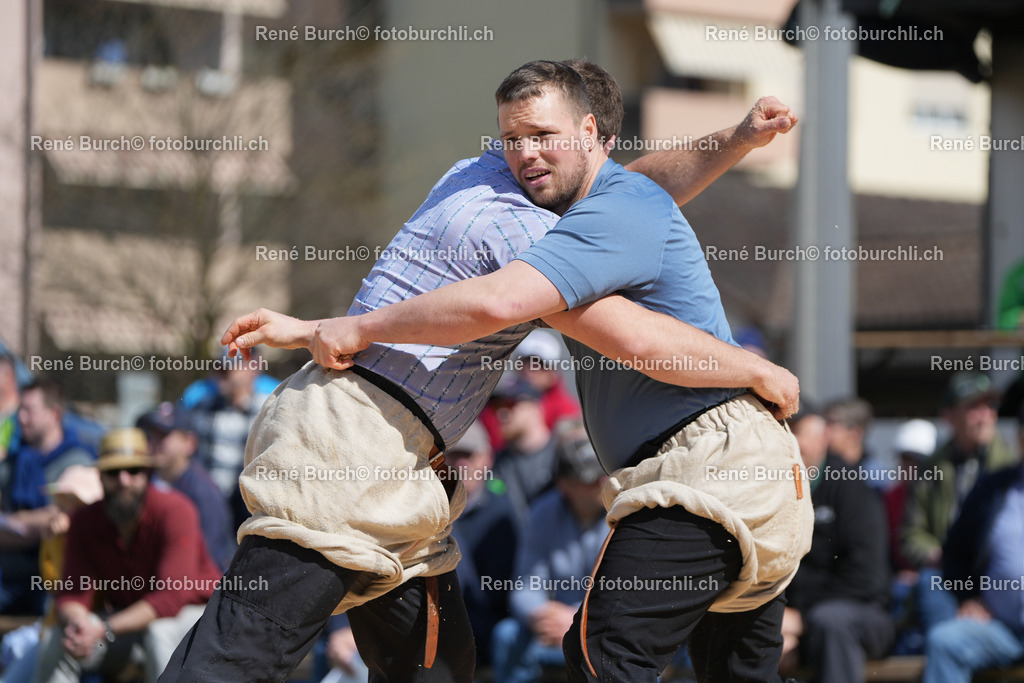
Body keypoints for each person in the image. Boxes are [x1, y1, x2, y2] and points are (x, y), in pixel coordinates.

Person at [162, 59, 802, 683]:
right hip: (356, 443)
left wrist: (736, 141)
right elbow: (590, 275)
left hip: (706, 460)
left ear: (591, 134)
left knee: (586, 657)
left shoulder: (495, 183)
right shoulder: (543, 218)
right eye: (514, 138)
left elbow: (634, 205)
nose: (526, 152)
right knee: (262, 655)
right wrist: (751, 365)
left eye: (543, 136)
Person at [34, 429, 219, 683]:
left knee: (159, 633)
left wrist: (104, 628)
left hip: (192, 619)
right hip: (128, 623)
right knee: (59, 639)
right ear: (100, 476)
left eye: (133, 471)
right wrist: (80, 625)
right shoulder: (84, 520)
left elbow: (171, 595)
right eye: (113, 472)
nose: (123, 480)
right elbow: (72, 592)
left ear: (147, 474)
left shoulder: (176, 510)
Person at [780, 409, 893, 682]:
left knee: (831, 621)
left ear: (823, 438)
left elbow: (866, 578)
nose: (789, 442)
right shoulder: (774, 488)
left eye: (797, 432)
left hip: (861, 614)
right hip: (793, 621)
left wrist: (802, 616)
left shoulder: (852, 488)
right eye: (784, 432)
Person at [902, 371, 1018, 633]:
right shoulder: (931, 469)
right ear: (949, 416)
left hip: (996, 580)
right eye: (973, 408)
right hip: (944, 574)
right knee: (928, 585)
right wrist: (938, 555)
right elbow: (911, 533)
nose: (984, 416)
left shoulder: (1011, 468)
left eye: (989, 407)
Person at [492, 425, 608, 683]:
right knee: (506, 634)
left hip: (605, 624)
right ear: (564, 484)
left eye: (603, 476)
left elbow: (627, 593)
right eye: (589, 480)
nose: (602, 484)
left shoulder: (623, 512)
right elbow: (524, 585)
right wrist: (542, 616)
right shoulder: (542, 512)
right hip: (550, 625)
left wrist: (578, 621)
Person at [921, 411, 1024, 681]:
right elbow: (955, 550)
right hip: (1002, 627)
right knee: (945, 641)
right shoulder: (993, 489)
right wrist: (968, 597)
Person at [1, 379, 96, 616]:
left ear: (53, 413)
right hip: (10, 574)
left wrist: (19, 521)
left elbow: (64, 519)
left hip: (54, 579)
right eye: (19, 410)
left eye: (29, 411)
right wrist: (35, 524)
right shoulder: (14, 463)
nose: (20, 418)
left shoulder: (77, 463)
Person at [447, 421, 519, 669]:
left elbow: (497, 593)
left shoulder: (501, 514)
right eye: (453, 455)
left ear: (486, 458)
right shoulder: (426, 513)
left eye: (468, 455)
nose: (461, 464)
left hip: (482, 625)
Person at [137, 402, 236, 571]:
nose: (154, 442)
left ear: (189, 443)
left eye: (163, 435)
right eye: (150, 434)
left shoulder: (204, 493)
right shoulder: (139, 478)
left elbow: (207, 562)